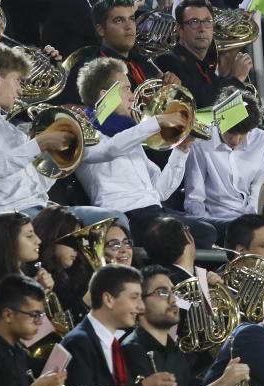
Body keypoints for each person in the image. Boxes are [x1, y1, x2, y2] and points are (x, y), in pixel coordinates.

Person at [0, 43, 126, 225]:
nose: (20, 91)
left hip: (40, 208)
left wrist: (67, 143)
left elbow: (40, 183)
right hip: (8, 219)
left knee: (116, 219)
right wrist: (41, 142)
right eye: (17, 81)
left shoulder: (10, 127)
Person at [75, 56, 217, 247]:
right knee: (207, 233)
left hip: (154, 212)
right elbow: (109, 149)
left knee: (231, 227)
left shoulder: (130, 134)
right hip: (126, 217)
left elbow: (160, 191)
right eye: (126, 89)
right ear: (104, 95)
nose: (133, 96)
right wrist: (158, 121)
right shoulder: (85, 133)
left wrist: (182, 149)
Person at [120, 265, 251, 386]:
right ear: (140, 303)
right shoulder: (132, 350)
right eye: (162, 293)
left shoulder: (175, 350)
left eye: (173, 292)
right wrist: (222, 383)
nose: (173, 300)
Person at [62, 263, 176, 386]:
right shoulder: (78, 343)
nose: (141, 307)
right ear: (108, 300)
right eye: (134, 297)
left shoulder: (113, 343)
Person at [184, 87, 264, 222]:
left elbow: (261, 185)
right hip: (217, 220)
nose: (236, 141)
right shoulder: (200, 143)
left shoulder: (262, 140)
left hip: (253, 217)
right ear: (219, 122)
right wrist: (208, 227)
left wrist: (252, 218)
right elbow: (194, 199)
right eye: (231, 134)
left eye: (243, 134)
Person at [156, 0, 251, 108]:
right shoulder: (169, 60)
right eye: (194, 22)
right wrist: (237, 78)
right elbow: (202, 101)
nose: (202, 28)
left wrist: (227, 74)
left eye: (207, 21)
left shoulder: (204, 63)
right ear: (179, 29)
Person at [0, 212, 53, 322]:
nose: (38, 241)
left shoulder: (21, 277)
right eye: (29, 236)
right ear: (7, 242)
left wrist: (39, 293)